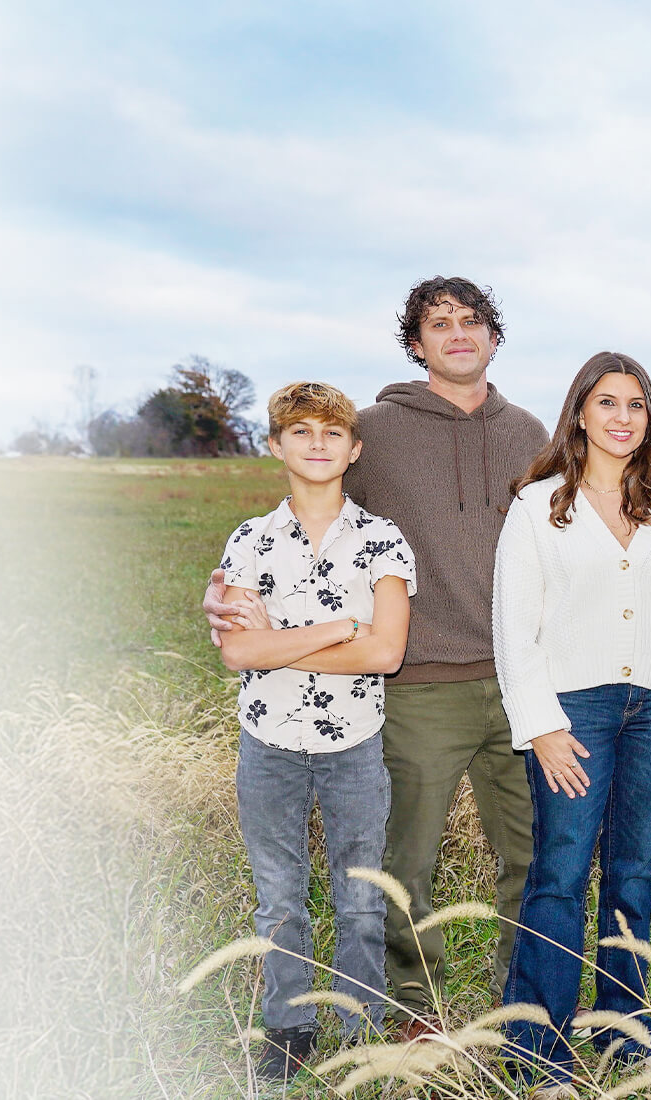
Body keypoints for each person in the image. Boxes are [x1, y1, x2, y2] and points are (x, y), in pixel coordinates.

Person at [206, 277, 547, 1033]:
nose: (458, 333)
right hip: (420, 682)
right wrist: (221, 591)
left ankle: (524, 1001)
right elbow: (306, 507)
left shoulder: (528, 433)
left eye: (472, 321)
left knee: (532, 856)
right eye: (439, 323)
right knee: (406, 863)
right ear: (416, 343)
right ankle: (412, 1007)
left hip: (522, 679)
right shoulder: (376, 430)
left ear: (493, 337)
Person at [492, 352, 651, 1091]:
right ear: (580, 412)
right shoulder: (538, 506)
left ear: (649, 416)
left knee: (633, 872)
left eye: (636, 404)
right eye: (607, 402)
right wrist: (540, 725)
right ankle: (536, 1047)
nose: (622, 417)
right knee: (562, 870)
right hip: (575, 711)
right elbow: (515, 627)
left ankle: (624, 1031)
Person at [210, 381, 415, 1080]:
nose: (317, 443)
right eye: (300, 431)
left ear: (354, 449)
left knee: (360, 894)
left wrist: (278, 642)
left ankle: (360, 1027)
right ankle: (289, 1027)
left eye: (332, 432)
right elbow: (238, 651)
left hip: (354, 741)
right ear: (276, 445)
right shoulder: (250, 540)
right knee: (279, 894)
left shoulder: (382, 540)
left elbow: (385, 653)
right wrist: (340, 627)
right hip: (267, 741)